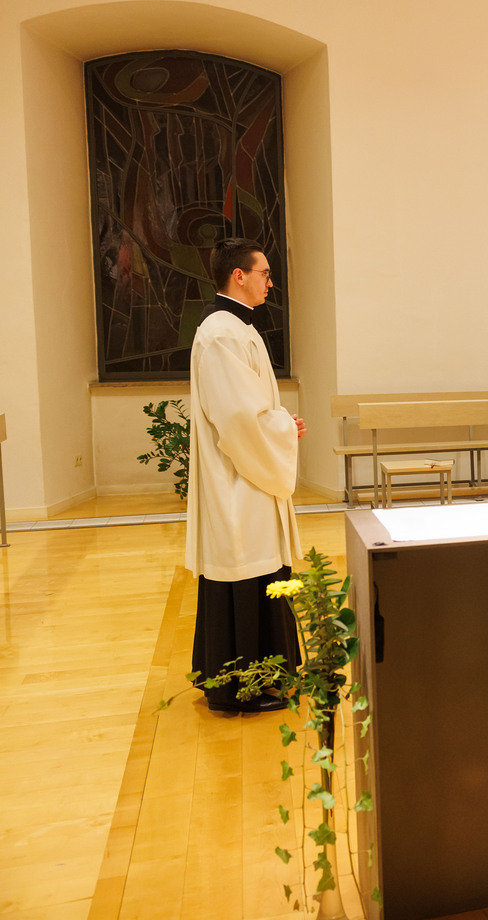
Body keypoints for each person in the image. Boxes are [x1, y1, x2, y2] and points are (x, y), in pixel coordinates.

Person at [186, 238, 304, 714]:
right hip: (237, 480)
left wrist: (280, 423)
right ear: (239, 275)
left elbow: (249, 409)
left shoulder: (238, 327)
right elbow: (237, 419)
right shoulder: (222, 334)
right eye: (264, 273)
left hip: (250, 474)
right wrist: (280, 428)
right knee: (244, 569)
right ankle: (240, 690)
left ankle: (267, 678)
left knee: (259, 570)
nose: (270, 282)